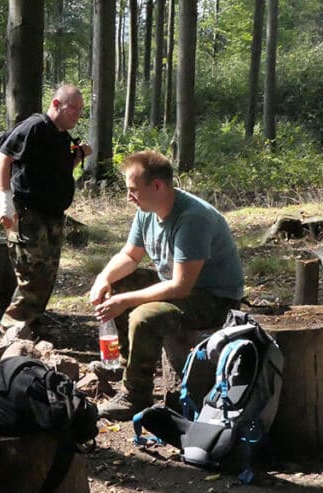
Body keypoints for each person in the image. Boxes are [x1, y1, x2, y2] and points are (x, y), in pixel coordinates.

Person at [89, 151, 245, 421]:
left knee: (143, 315)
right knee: (120, 283)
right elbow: (129, 256)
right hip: (178, 286)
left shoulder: (193, 218)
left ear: (158, 185)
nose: (129, 197)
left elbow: (182, 286)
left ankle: (135, 396)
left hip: (214, 299)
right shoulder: (147, 211)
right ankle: (125, 364)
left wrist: (126, 301)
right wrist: (104, 278)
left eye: (133, 190)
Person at [0, 84, 92, 334]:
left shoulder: (61, 135)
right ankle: (11, 329)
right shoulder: (35, 127)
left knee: (47, 272)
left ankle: (31, 323)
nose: (77, 116)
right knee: (32, 272)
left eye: (80, 111)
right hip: (27, 212)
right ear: (56, 105)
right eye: (73, 109)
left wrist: (79, 155)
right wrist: (5, 199)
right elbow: (2, 159)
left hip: (53, 215)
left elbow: (58, 170)